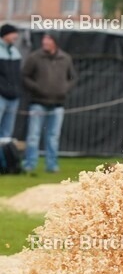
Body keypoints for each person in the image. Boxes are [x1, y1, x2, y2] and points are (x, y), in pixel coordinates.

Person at [21, 34, 76, 173]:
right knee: (33, 135)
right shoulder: (34, 57)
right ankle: (29, 164)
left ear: (55, 42)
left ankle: (51, 165)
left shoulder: (65, 58)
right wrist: (36, 87)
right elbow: (24, 76)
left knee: (53, 137)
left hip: (58, 104)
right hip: (38, 102)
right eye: (44, 39)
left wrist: (65, 88)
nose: (45, 42)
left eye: (48, 39)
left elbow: (73, 77)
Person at [0, 23, 21, 140]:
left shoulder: (15, 52)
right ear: (5, 34)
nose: (16, 36)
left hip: (13, 97)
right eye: (13, 33)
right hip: (1, 96)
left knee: (7, 133)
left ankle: (3, 157)